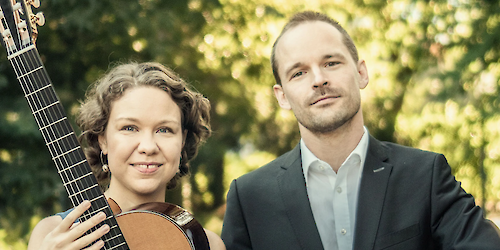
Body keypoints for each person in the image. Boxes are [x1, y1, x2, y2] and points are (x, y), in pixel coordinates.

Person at [221, 11, 500, 250]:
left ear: (361, 73)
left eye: (331, 63)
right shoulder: (249, 199)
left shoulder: (425, 175)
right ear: (281, 96)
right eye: (299, 73)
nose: (319, 80)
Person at [27, 62, 226, 250]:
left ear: (182, 140)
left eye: (164, 129)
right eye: (129, 128)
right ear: (102, 139)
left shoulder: (208, 244)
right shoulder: (53, 235)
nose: (148, 147)